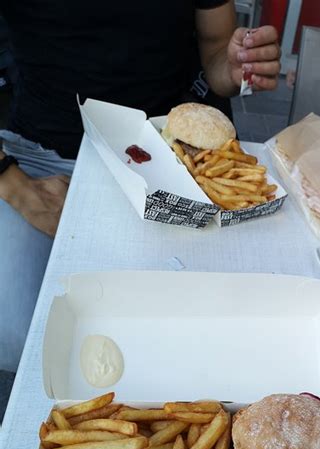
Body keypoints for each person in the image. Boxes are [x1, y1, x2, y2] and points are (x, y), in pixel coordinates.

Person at [0, 0, 280, 374]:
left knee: (205, 337)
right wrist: (13, 183)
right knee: (17, 337)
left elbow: (215, 48)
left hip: (172, 155)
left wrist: (231, 67)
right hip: (38, 156)